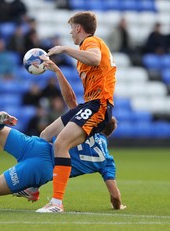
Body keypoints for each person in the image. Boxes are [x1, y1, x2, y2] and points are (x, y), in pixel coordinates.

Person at [0, 63, 125, 212]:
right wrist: (118, 205)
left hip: (34, 144)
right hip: (42, 167)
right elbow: (115, 196)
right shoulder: (106, 159)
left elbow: (71, 99)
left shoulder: (82, 122)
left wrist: (57, 71)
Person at [36, 11, 116, 213]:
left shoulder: (92, 42)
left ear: (79, 28)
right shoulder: (82, 57)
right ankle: (33, 185)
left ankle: (56, 203)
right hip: (89, 104)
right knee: (45, 135)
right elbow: (72, 101)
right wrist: (57, 71)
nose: (71, 32)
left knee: (61, 143)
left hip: (100, 105)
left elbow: (96, 59)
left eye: (71, 28)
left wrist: (64, 49)